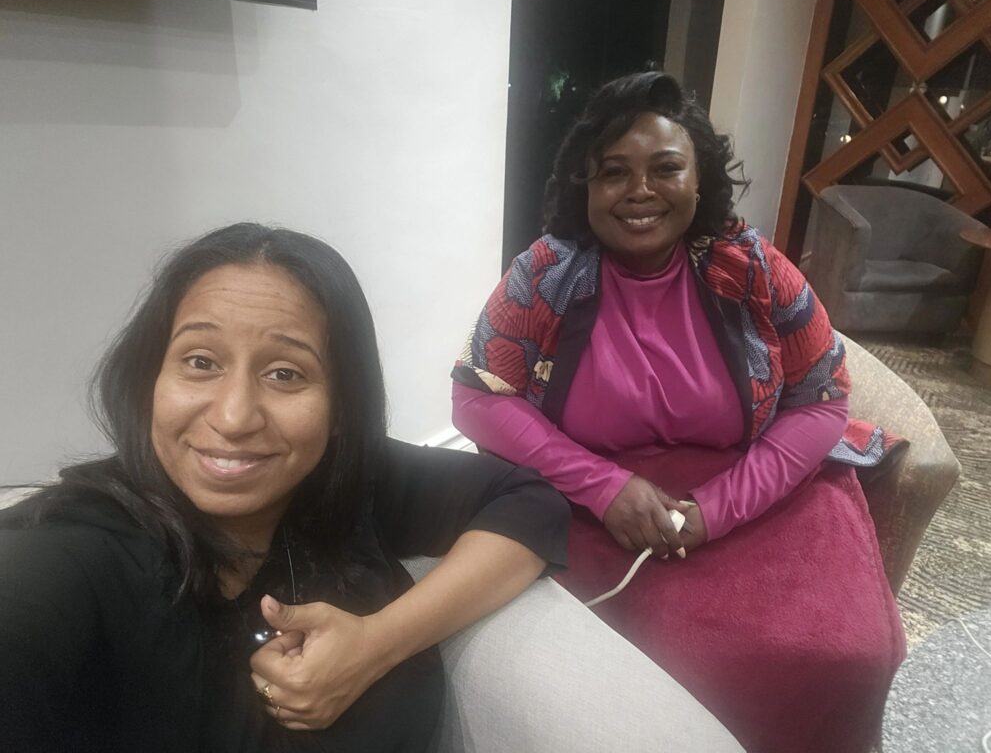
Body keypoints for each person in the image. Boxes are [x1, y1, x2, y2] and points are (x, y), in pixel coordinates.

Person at [452, 72, 907, 753]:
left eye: (665, 169)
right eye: (614, 172)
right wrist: (602, 487)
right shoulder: (546, 274)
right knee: (585, 672)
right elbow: (477, 396)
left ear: (700, 182)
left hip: (753, 492)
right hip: (589, 504)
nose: (640, 190)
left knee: (846, 653)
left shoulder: (752, 267)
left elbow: (823, 400)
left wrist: (716, 509)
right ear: (585, 186)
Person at [0, 223, 571, 753]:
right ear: (150, 378)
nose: (233, 418)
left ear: (341, 407)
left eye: (284, 373)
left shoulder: (339, 481)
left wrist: (376, 644)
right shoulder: (69, 555)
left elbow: (531, 503)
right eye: (200, 361)